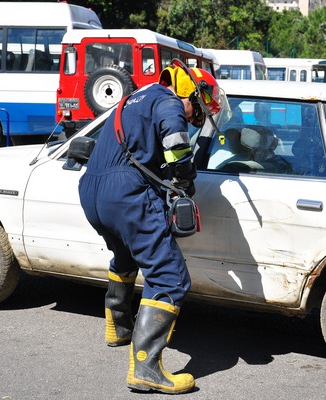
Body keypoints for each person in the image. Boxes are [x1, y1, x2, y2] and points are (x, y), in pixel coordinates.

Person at [78, 60, 221, 394]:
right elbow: (176, 145)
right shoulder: (170, 101)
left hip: (92, 191)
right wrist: (185, 180)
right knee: (170, 277)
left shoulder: (134, 99)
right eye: (195, 108)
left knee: (125, 257)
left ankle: (118, 327)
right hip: (125, 194)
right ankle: (146, 367)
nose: (192, 116)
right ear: (189, 92)